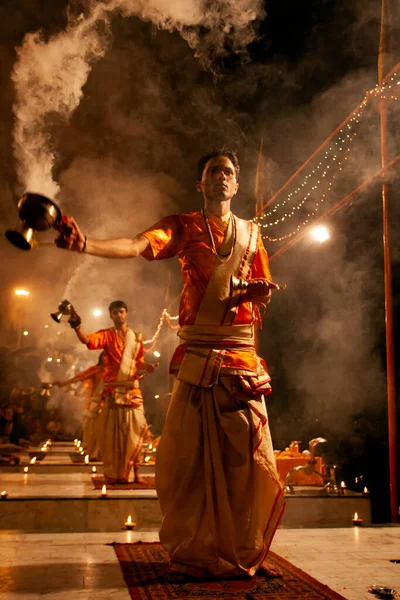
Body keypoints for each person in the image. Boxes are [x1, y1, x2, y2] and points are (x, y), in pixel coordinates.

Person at [55, 149, 284, 579]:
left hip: (242, 362)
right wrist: (87, 245)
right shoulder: (182, 226)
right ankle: (199, 551)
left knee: (248, 462)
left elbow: (263, 294)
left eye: (228, 171)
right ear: (201, 183)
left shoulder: (252, 235)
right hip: (198, 359)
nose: (221, 176)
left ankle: (244, 550)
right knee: (191, 461)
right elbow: (136, 245)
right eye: (213, 170)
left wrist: (254, 294)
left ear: (236, 184)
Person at [67, 300, 157, 484]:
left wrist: (147, 366)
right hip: (112, 391)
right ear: (111, 315)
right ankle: (115, 475)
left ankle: (136, 475)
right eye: (115, 313)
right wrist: (77, 327)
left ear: (127, 313)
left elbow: (138, 361)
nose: (119, 315)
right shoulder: (106, 335)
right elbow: (87, 341)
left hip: (132, 390)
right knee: (113, 436)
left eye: (121, 312)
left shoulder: (137, 337)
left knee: (136, 431)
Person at [53, 352, 106, 461]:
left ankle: (105, 453)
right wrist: (65, 383)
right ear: (101, 358)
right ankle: (94, 453)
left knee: (107, 430)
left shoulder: (115, 371)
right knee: (93, 429)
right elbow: (80, 377)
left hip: (110, 404)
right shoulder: (95, 370)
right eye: (106, 356)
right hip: (95, 403)